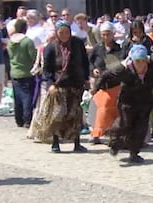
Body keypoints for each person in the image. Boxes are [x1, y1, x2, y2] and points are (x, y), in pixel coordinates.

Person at [91, 44, 153, 163]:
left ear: (147, 59)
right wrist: (96, 88)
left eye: (143, 61)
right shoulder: (123, 69)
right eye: (137, 61)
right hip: (127, 102)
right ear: (132, 60)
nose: (140, 64)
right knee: (124, 124)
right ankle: (114, 142)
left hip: (145, 102)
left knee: (140, 129)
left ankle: (134, 153)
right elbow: (105, 75)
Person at [34, 20, 89, 152]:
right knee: (58, 114)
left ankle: (77, 142)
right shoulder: (51, 48)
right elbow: (47, 69)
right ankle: (55, 142)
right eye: (61, 33)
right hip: (59, 86)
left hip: (76, 84)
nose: (64, 35)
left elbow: (84, 62)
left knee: (75, 114)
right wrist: (50, 84)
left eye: (66, 32)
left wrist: (86, 78)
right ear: (57, 33)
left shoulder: (77, 44)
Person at [89, 22, 123, 144]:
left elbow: (120, 65)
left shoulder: (119, 49)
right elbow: (90, 62)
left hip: (114, 84)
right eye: (103, 34)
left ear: (113, 35)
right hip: (100, 86)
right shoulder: (97, 49)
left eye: (108, 34)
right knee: (100, 110)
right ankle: (97, 133)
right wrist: (93, 69)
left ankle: (112, 134)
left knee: (113, 111)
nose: (105, 37)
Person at [7, 19, 37, 128]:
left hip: (14, 72)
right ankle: (27, 119)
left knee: (17, 97)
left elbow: (10, 56)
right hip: (26, 72)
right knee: (27, 97)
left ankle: (18, 119)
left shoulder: (10, 41)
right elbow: (33, 56)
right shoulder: (27, 41)